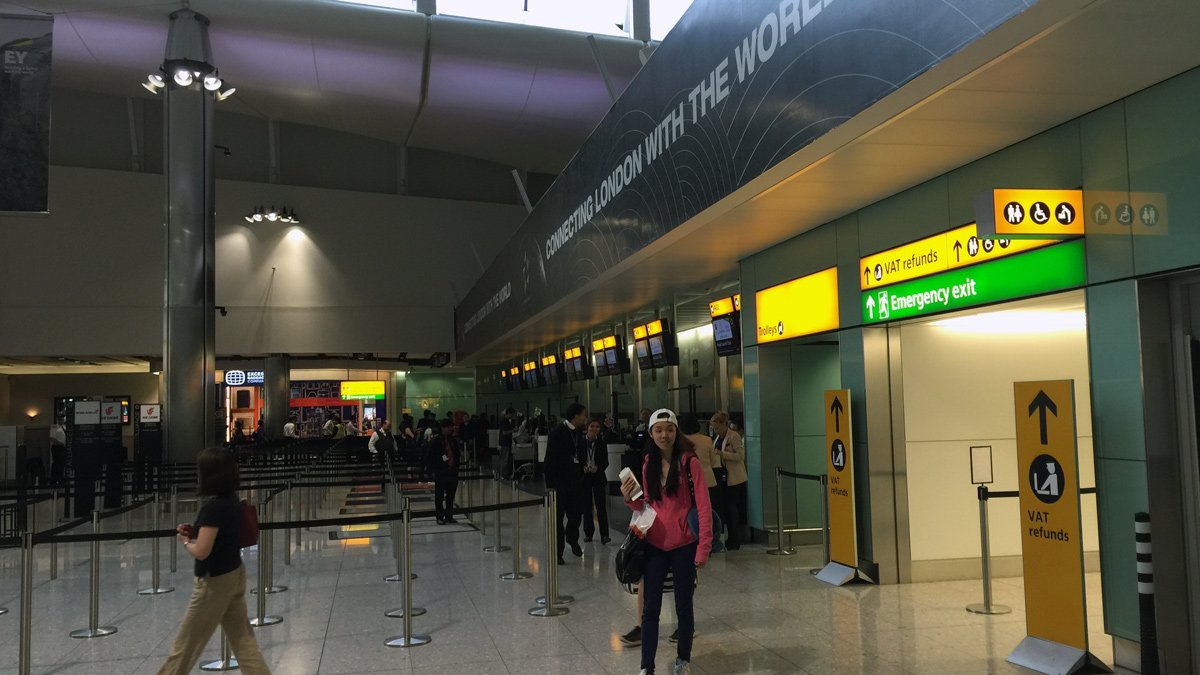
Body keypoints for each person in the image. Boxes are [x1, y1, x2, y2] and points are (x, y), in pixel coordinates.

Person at [157, 447, 270, 674]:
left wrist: (185, 541)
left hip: (214, 582)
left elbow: (202, 551)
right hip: (234, 573)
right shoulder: (231, 501)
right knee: (243, 641)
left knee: (185, 646)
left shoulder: (214, 509)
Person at [621, 408, 711, 675]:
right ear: (651, 433)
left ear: (676, 432)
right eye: (658, 430)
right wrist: (629, 498)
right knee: (651, 610)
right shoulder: (648, 461)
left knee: (684, 607)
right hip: (655, 546)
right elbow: (646, 505)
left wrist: (703, 547)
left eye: (669, 429)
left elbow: (704, 507)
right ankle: (646, 667)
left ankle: (683, 659)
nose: (664, 434)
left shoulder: (689, 462)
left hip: (684, 545)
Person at [544, 402, 586, 564]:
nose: (585, 418)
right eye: (583, 414)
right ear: (576, 415)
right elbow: (550, 458)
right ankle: (558, 552)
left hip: (575, 481)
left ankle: (572, 538)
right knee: (557, 518)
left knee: (576, 514)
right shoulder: (557, 432)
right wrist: (550, 484)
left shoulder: (579, 432)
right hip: (559, 482)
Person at [710, 411, 747, 550]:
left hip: (734, 478)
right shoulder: (718, 438)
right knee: (727, 508)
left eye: (718, 427)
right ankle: (729, 537)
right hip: (723, 477)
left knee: (732, 509)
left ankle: (734, 538)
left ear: (724, 424)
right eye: (714, 428)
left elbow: (740, 456)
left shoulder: (734, 436)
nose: (716, 430)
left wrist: (722, 454)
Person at [580, 418, 611, 544]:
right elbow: (577, 459)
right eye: (592, 426)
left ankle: (604, 535)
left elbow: (605, 462)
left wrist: (598, 468)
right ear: (587, 428)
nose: (594, 429)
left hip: (598, 477)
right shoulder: (580, 443)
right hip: (585, 477)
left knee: (601, 506)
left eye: (597, 426)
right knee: (587, 507)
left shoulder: (602, 443)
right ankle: (588, 533)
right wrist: (583, 467)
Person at [427, 419, 460, 524]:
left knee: (450, 496)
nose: (451, 429)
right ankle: (439, 516)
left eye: (451, 427)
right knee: (439, 496)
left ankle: (449, 516)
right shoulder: (435, 441)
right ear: (443, 428)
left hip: (452, 472)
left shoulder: (453, 440)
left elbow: (456, 454)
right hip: (441, 472)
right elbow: (429, 457)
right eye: (448, 427)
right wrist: (433, 470)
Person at [49, 417, 67, 485]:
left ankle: (60, 479)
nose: (61, 421)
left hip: (63, 448)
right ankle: (54, 480)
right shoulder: (54, 427)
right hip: (57, 447)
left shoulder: (64, 427)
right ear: (57, 420)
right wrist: (61, 443)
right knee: (56, 464)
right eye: (59, 419)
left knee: (62, 464)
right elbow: (52, 438)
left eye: (62, 419)